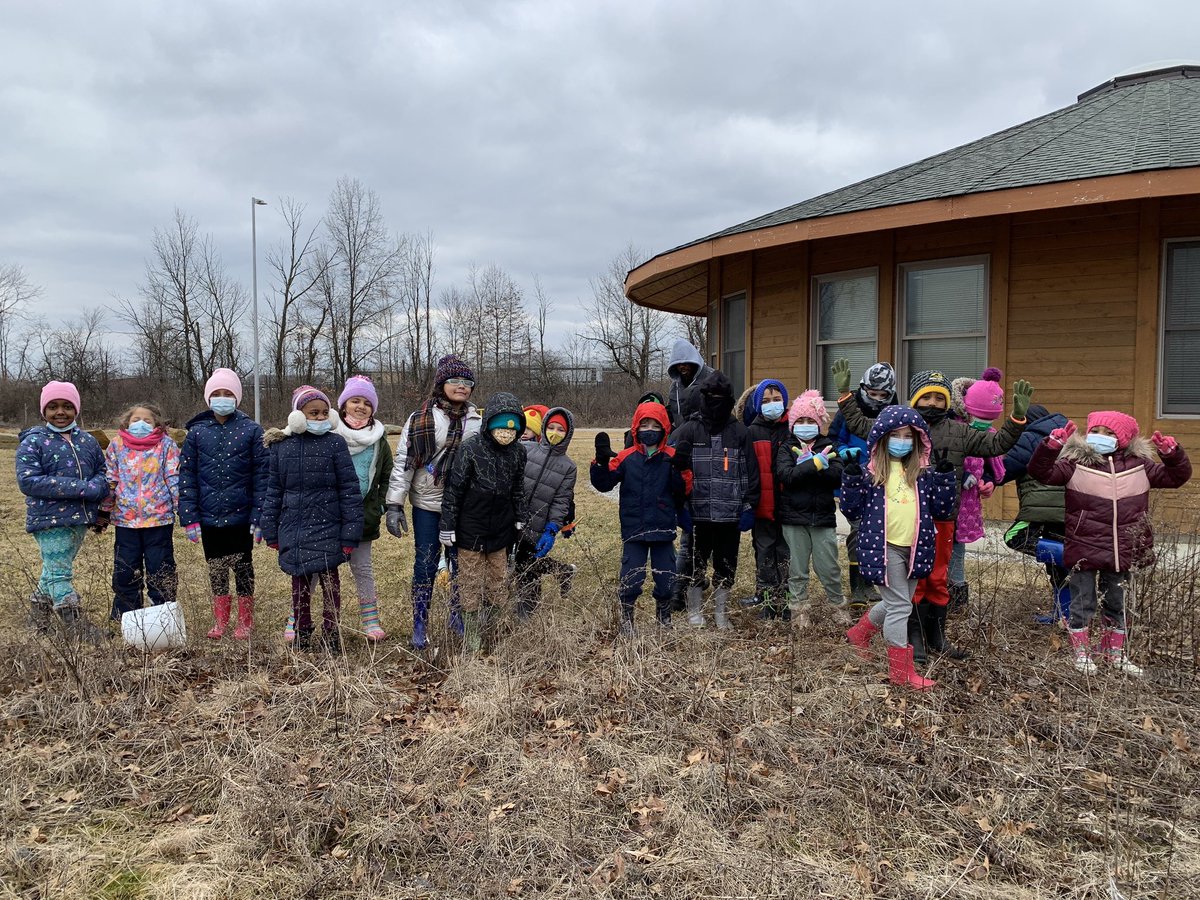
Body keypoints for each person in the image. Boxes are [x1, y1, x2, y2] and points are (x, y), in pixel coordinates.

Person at [832, 359, 1033, 661]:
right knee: (913, 580)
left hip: (944, 515)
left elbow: (997, 445)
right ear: (914, 399)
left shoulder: (960, 431)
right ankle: (914, 640)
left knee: (938, 578)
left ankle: (937, 636)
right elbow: (862, 425)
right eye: (926, 396)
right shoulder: (905, 427)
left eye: (940, 397)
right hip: (908, 518)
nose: (933, 402)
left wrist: (1017, 419)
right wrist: (847, 396)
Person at [1028, 411, 1191, 676]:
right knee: (1083, 602)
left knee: (1116, 602)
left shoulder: (1141, 466)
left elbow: (1177, 478)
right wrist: (1051, 446)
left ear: (1124, 438)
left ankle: (1114, 653)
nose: (1100, 437)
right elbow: (1041, 472)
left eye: (1109, 433)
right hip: (1084, 545)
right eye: (1097, 431)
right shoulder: (1075, 463)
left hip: (1122, 549)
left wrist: (1172, 455)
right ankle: (1081, 654)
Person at [842, 407, 957, 691]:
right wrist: (851, 481)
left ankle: (859, 633)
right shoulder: (872, 474)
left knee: (896, 602)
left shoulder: (922, 474)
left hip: (916, 548)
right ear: (882, 438)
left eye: (909, 436)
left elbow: (942, 511)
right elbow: (851, 509)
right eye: (896, 435)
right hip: (884, 548)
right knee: (901, 606)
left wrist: (944, 479)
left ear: (919, 441)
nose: (902, 441)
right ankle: (900, 671)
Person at [385, 354, 482, 649]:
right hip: (427, 505)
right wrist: (394, 504)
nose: (462, 387)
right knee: (425, 564)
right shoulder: (421, 419)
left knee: (460, 565)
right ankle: (420, 622)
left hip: (461, 507)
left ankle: (456, 614)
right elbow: (404, 462)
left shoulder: (476, 421)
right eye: (455, 381)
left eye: (467, 382)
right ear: (441, 384)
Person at [261, 386, 363, 653]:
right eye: (312, 413)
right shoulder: (281, 448)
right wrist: (270, 529)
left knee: (331, 583)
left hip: (329, 526)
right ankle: (302, 630)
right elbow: (274, 491)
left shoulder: (335, 444)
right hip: (295, 528)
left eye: (322, 413)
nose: (318, 418)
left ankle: (332, 631)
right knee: (300, 583)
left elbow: (350, 490)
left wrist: (350, 533)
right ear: (298, 416)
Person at [178, 368, 269, 641]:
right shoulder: (196, 433)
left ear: (237, 397)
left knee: (243, 568)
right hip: (208, 518)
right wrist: (189, 516)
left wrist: (259, 515)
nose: (222, 398)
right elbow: (187, 476)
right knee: (216, 567)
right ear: (208, 398)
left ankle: (245, 620)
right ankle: (220, 620)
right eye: (216, 394)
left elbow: (262, 476)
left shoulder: (252, 430)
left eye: (227, 394)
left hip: (241, 517)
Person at [16, 381, 108, 641]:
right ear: (44, 410)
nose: (60, 412)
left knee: (54, 568)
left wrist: (100, 487)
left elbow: (102, 471)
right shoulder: (34, 442)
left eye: (67, 406)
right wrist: (84, 489)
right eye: (53, 406)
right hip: (49, 519)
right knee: (60, 573)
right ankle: (76, 626)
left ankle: (38, 617)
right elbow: (29, 481)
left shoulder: (87, 441)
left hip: (80, 518)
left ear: (76, 409)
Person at [439, 393, 529, 655]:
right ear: (489, 422)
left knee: (498, 582)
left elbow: (518, 488)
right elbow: (454, 489)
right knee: (469, 583)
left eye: (512, 427)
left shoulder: (518, 453)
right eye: (501, 425)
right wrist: (448, 524)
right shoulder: (471, 449)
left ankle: (494, 630)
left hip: (501, 530)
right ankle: (472, 638)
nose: (506, 432)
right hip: (470, 528)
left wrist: (520, 517)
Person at [591, 400, 691, 635]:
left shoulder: (671, 456)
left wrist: (681, 468)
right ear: (636, 427)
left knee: (666, 578)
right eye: (644, 424)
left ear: (664, 428)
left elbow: (683, 489)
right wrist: (601, 462)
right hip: (634, 529)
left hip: (663, 529)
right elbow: (604, 484)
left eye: (655, 425)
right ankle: (627, 618)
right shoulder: (626, 457)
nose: (649, 430)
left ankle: (663, 617)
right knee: (631, 579)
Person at [672, 369, 760, 629]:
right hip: (697, 515)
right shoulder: (688, 430)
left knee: (726, 566)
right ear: (703, 397)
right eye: (711, 396)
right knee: (694, 565)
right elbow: (677, 471)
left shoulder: (740, 433)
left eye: (721, 397)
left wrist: (748, 506)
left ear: (730, 400)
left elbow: (749, 473)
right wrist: (681, 508)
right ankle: (694, 611)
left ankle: (721, 612)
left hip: (730, 516)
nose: (716, 401)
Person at [773, 390, 845, 626]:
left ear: (819, 423)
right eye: (800, 421)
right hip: (793, 517)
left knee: (829, 567)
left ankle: (837, 605)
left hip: (823, 517)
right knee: (797, 568)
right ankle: (799, 608)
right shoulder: (786, 448)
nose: (805, 425)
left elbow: (837, 475)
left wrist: (815, 467)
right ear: (793, 424)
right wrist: (814, 464)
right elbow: (787, 475)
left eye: (810, 421)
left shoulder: (828, 445)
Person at [828, 362, 897, 609]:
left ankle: (873, 582)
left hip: (884, 482)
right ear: (863, 389)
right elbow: (834, 439)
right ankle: (858, 586)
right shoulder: (849, 410)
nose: (877, 399)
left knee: (879, 534)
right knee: (858, 532)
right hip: (855, 479)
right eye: (872, 393)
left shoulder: (893, 413)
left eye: (883, 395)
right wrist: (844, 451)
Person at [103, 403, 181, 620]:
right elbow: (110, 479)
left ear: (157, 424)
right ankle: (126, 614)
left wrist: (182, 509)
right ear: (127, 423)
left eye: (147, 420)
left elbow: (173, 479)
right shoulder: (116, 446)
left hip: (159, 519)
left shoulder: (166, 446)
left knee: (161, 568)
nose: (141, 424)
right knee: (125, 569)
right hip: (125, 520)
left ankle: (163, 614)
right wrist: (104, 511)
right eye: (136, 419)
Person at [333, 375, 394, 641]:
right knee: (315, 569)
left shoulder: (379, 440)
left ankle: (371, 622)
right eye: (355, 400)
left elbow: (387, 475)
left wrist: (379, 504)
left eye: (367, 402)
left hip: (362, 516)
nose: (361, 406)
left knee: (363, 570)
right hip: (329, 515)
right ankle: (299, 617)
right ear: (344, 404)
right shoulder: (329, 433)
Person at [999, 404, 1070, 622]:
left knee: (1014, 537)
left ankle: (1074, 556)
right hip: (1070, 509)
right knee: (1058, 569)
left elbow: (1003, 470)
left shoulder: (1029, 438)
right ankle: (1063, 616)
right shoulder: (1068, 435)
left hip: (1040, 510)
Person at [946, 368, 1008, 614]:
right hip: (943, 500)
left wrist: (990, 481)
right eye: (980, 416)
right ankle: (936, 591)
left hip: (967, 506)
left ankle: (957, 596)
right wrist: (961, 474)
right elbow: (940, 456)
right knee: (941, 546)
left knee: (958, 548)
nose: (985, 423)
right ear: (966, 409)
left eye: (990, 419)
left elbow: (996, 466)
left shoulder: (989, 434)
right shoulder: (951, 428)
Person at [514, 407, 577, 618]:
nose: (555, 432)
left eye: (560, 429)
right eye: (551, 427)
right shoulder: (526, 449)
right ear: (544, 427)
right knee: (511, 564)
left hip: (538, 526)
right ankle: (562, 571)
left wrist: (552, 529)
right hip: (513, 521)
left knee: (528, 570)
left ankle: (526, 614)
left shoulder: (568, 467)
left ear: (567, 434)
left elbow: (561, 501)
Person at [738, 379, 791, 616]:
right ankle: (766, 597)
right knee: (764, 551)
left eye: (777, 400)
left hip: (789, 506)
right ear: (758, 405)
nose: (772, 405)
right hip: (762, 506)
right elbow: (747, 469)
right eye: (766, 401)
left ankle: (786, 596)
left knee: (786, 552)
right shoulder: (751, 432)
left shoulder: (793, 428)